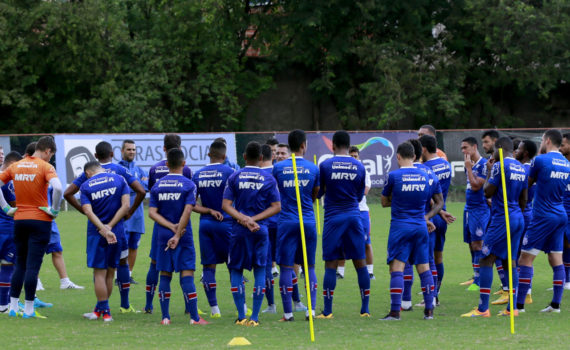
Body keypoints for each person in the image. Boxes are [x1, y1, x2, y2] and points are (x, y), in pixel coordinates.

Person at [64, 141, 145, 313]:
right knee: (120, 263)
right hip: (117, 226)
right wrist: (129, 212)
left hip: (97, 227)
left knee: (100, 268)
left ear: (95, 155)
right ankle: (124, 305)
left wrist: (84, 211)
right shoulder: (120, 171)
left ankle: (102, 307)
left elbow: (67, 193)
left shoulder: (90, 173)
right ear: (113, 154)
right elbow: (141, 190)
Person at [461, 137, 527, 317]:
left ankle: (483, 309)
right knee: (510, 261)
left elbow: (486, 191)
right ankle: (512, 308)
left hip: (502, 218)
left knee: (485, 258)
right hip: (517, 217)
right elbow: (524, 198)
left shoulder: (499, 165)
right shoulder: (521, 167)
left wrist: (490, 171)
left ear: (499, 148)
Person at [0, 136, 62, 319]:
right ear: (48, 151)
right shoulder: (45, 167)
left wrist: (5, 208)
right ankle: (28, 309)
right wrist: (55, 210)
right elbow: (58, 188)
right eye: (50, 155)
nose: (49, 159)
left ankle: (12, 306)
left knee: (19, 263)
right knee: (33, 266)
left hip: (19, 219)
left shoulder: (15, 166)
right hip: (40, 220)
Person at [380, 142, 442, 320]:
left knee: (397, 267)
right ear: (414, 157)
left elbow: (384, 202)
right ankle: (429, 310)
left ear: (398, 157)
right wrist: (427, 216)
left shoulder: (393, 176)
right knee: (424, 267)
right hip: (420, 226)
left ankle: (395, 312)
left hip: (400, 226)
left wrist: (399, 200)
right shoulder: (426, 176)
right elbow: (437, 201)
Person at [222, 141, 281, 326]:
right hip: (260, 230)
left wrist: (244, 219)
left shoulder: (234, 176)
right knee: (260, 271)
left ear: (244, 157)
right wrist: (254, 219)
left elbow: (225, 205)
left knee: (236, 270)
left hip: (239, 230)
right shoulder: (269, 179)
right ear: (261, 158)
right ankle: (254, 318)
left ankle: (241, 316)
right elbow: (277, 207)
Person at [149, 149, 208, 325]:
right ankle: (194, 318)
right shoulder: (189, 185)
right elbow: (188, 209)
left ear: (166, 164)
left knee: (165, 274)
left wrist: (169, 227)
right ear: (184, 164)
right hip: (183, 234)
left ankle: (165, 317)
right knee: (187, 274)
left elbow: (152, 213)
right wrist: (177, 232)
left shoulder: (157, 186)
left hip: (163, 233)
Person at [316, 131, 370, 318]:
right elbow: (359, 195)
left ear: (333, 145)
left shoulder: (325, 165)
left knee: (331, 263)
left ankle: (328, 311)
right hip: (354, 216)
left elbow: (319, 192)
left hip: (333, 217)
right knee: (360, 262)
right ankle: (365, 310)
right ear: (348, 146)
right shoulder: (359, 166)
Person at [516, 129, 570, 313]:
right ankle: (555, 305)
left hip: (542, 215)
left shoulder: (540, 160)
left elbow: (527, 183)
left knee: (525, 258)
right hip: (560, 214)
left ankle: (519, 305)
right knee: (556, 259)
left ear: (546, 141)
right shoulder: (566, 163)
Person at [273, 130, 319, 321]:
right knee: (309, 267)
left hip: (286, 221)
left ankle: (288, 313)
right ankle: (311, 311)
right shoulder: (313, 168)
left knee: (285, 267)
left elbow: (275, 194)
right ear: (303, 145)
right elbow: (315, 194)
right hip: (307, 221)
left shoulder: (278, 168)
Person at [24, 142, 83, 291]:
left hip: (49, 219)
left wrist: (53, 210)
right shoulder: (25, 172)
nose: (50, 159)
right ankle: (36, 282)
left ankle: (65, 281)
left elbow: (54, 191)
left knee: (57, 249)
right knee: (34, 251)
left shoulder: (48, 171)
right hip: (33, 218)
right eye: (49, 156)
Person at [144, 134, 193, 314]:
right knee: (185, 265)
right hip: (182, 223)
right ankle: (189, 307)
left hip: (161, 223)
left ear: (163, 148)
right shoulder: (185, 171)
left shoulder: (154, 169)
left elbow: (152, 194)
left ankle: (149, 304)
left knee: (156, 263)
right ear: (180, 148)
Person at [80, 161, 130, 322]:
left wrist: (103, 228)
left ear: (88, 173)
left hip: (96, 233)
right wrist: (110, 226)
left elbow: (87, 211)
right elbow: (126, 206)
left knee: (99, 274)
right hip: (117, 232)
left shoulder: (86, 186)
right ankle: (99, 310)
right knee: (110, 272)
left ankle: (106, 311)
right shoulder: (119, 179)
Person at [491, 139, 538, 305]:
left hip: (518, 212)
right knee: (515, 255)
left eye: (518, 148)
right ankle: (516, 292)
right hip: (521, 212)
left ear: (524, 153)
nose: (516, 150)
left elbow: (523, 196)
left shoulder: (524, 169)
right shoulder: (524, 168)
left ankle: (517, 293)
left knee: (514, 256)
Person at [192, 140, 234, 318]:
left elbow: (192, 204)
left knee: (208, 267)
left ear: (208, 154)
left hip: (206, 224)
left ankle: (214, 309)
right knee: (234, 266)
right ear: (224, 156)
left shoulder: (198, 174)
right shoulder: (230, 172)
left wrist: (208, 210)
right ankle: (242, 306)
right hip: (227, 224)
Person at [401, 139, 443, 311]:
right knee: (428, 261)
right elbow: (437, 202)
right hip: (426, 224)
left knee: (405, 261)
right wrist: (427, 217)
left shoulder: (402, 173)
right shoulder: (429, 173)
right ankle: (431, 300)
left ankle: (405, 301)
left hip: (406, 223)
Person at [419, 135, 454, 304]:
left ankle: (432, 298)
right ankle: (436, 293)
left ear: (423, 149)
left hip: (432, 217)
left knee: (429, 259)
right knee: (438, 257)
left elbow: (432, 196)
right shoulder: (445, 164)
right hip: (443, 214)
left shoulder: (425, 169)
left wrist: (436, 213)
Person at [460, 137, 490, 289]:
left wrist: (469, 169)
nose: (463, 151)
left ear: (474, 147)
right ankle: (475, 275)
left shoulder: (483, 164)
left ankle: (479, 281)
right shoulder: (469, 164)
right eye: (462, 149)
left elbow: (477, 186)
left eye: (465, 148)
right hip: (469, 208)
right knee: (471, 244)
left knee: (478, 243)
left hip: (479, 209)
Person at [119, 139, 149, 284]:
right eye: (128, 149)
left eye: (133, 150)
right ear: (122, 151)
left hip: (137, 214)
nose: (131, 152)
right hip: (121, 213)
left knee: (133, 245)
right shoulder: (117, 169)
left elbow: (145, 186)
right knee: (120, 245)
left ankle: (128, 275)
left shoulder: (140, 171)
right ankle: (119, 275)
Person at [0, 151, 22, 313]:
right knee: (8, 267)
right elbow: (16, 204)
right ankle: (4, 305)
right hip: (7, 228)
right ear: (12, 164)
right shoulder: (9, 181)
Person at [559, 134, 570, 290]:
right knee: (562, 245)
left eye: (563, 145)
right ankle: (565, 279)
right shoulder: (561, 164)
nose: (560, 148)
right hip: (561, 210)